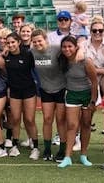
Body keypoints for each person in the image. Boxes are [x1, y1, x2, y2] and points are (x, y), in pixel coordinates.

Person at [57, 35, 98, 168]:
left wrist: (93, 101)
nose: (67, 49)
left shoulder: (86, 61)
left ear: (76, 47)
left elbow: (94, 82)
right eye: (64, 46)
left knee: (86, 125)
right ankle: (67, 157)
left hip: (87, 95)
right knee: (72, 126)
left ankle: (83, 155)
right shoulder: (61, 60)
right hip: (72, 95)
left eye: (70, 46)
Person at [30, 29, 67, 162]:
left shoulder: (56, 49)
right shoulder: (32, 52)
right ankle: (47, 149)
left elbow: (73, 50)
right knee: (47, 119)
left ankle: (62, 150)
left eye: (39, 40)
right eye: (34, 42)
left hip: (61, 89)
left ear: (46, 40)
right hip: (45, 89)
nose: (37, 44)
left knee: (61, 120)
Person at [4, 32, 39, 160]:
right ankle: (14, 145)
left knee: (29, 119)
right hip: (14, 92)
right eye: (8, 43)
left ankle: (35, 147)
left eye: (13, 42)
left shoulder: (28, 54)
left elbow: (36, 70)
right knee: (15, 119)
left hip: (29, 91)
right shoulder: (6, 56)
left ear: (18, 42)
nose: (11, 45)